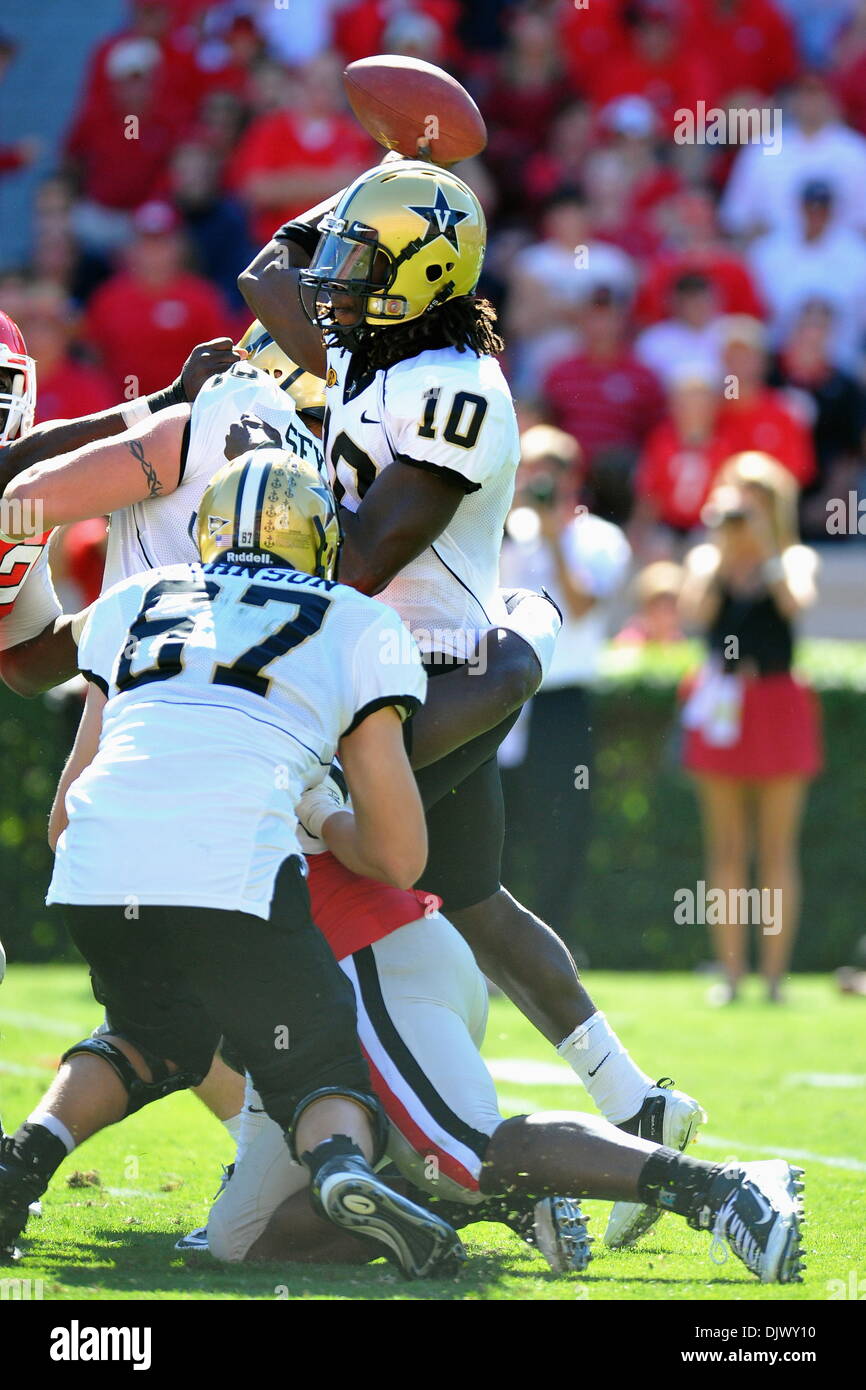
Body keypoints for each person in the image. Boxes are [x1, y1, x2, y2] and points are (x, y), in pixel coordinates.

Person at [239, 156, 704, 1254]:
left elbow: (362, 553)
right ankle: (637, 1105)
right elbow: (268, 274)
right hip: (404, 676)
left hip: (429, 681)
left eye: (358, 260)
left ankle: (442, 1159)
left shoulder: (452, 382)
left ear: (421, 276)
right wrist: (378, 173)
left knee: (305, 886)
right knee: (477, 902)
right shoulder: (375, 355)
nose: (332, 281)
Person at [0, 446, 463, 1280]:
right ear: (321, 540)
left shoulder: (137, 600)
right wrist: (320, 811)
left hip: (96, 863)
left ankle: (21, 1163)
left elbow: (67, 807)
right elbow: (401, 855)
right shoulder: (357, 623)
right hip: (230, 868)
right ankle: (344, 1172)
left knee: (152, 1034)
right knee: (317, 1060)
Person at [203, 776, 806, 1287]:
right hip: (324, 990)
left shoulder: (228, 739)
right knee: (244, 1239)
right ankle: (492, 1195)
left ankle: (724, 1191)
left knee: (468, 1150)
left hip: (368, 963)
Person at [679, 452, 822, 1005]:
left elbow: (794, 603)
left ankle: (775, 979)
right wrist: (721, 554)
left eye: (755, 503)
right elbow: (695, 613)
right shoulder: (706, 559)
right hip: (721, 707)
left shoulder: (793, 558)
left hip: (778, 702)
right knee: (727, 850)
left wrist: (765, 548)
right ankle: (733, 975)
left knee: (777, 848)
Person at [499, 424, 632, 945]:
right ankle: (492, 952)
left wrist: (555, 539)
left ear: (574, 477)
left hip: (562, 703)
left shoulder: (599, 538)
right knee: (498, 827)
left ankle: (554, 947)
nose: (541, 481)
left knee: (561, 829)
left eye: (551, 471)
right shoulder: (503, 532)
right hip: (502, 696)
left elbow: (580, 606)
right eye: (531, 470)